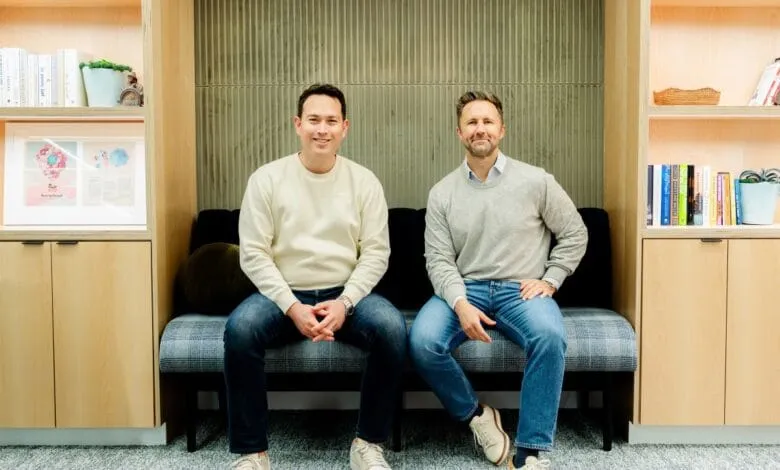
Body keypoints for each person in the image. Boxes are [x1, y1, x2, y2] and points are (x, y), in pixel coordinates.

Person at [224, 83, 406, 470]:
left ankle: (368, 444)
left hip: (346, 295)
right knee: (240, 329)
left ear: (345, 127)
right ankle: (251, 453)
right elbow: (254, 254)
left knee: (391, 327)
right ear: (297, 124)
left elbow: (376, 252)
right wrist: (292, 307)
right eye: (313, 120)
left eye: (331, 121)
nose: (321, 129)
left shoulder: (364, 181)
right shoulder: (267, 179)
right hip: (283, 293)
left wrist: (345, 302)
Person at [409, 91, 588, 469]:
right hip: (464, 288)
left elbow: (575, 233)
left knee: (550, 336)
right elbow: (439, 260)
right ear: (459, 132)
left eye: (487, 121)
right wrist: (459, 304)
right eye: (472, 122)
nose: (480, 129)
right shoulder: (442, 194)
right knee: (422, 341)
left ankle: (531, 452)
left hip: (520, 290)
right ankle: (478, 417)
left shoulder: (536, 181)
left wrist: (551, 280)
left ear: (501, 130)